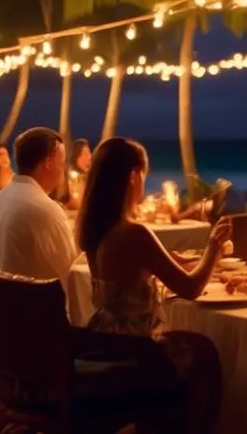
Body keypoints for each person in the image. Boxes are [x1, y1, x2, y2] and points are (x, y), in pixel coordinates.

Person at [77, 137, 226, 433]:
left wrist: (171, 260)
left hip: (103, 339)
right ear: (133, 176)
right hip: (137, 350)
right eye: (144, 174)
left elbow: (132, 271)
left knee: (193, 345)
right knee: (204, 352)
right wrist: (213, 247)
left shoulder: (94, 228)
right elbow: (191, 288)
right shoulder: (134, 233)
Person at [0, 128, 78, 287]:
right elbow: (69, 274)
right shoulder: (46, 210)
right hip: (34, 307)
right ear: (48, 163)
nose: (63, 171)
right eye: (62, 164)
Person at [58, 138, 91, 210]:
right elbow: (77, 202)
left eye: (89, 153)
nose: (89, 157)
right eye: (85, 154)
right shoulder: (71, 177)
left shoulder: (90, 176)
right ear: (77, 158)